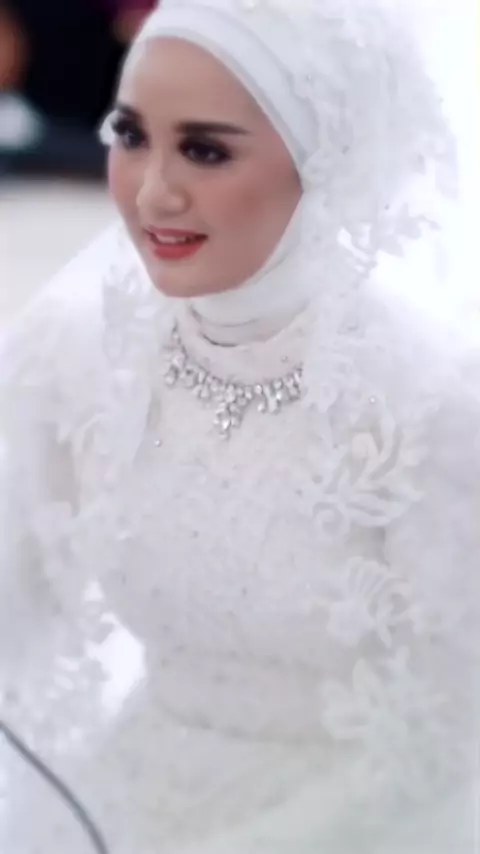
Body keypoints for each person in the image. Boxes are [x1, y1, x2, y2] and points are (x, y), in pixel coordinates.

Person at [1, 0, 479, 851]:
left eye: (206, 150)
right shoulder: (77, 352)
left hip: (365, 822)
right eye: (130, 135)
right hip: (126, 801)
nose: (152, 191)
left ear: (324, 158)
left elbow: (449, 729)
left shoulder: (432, 405)